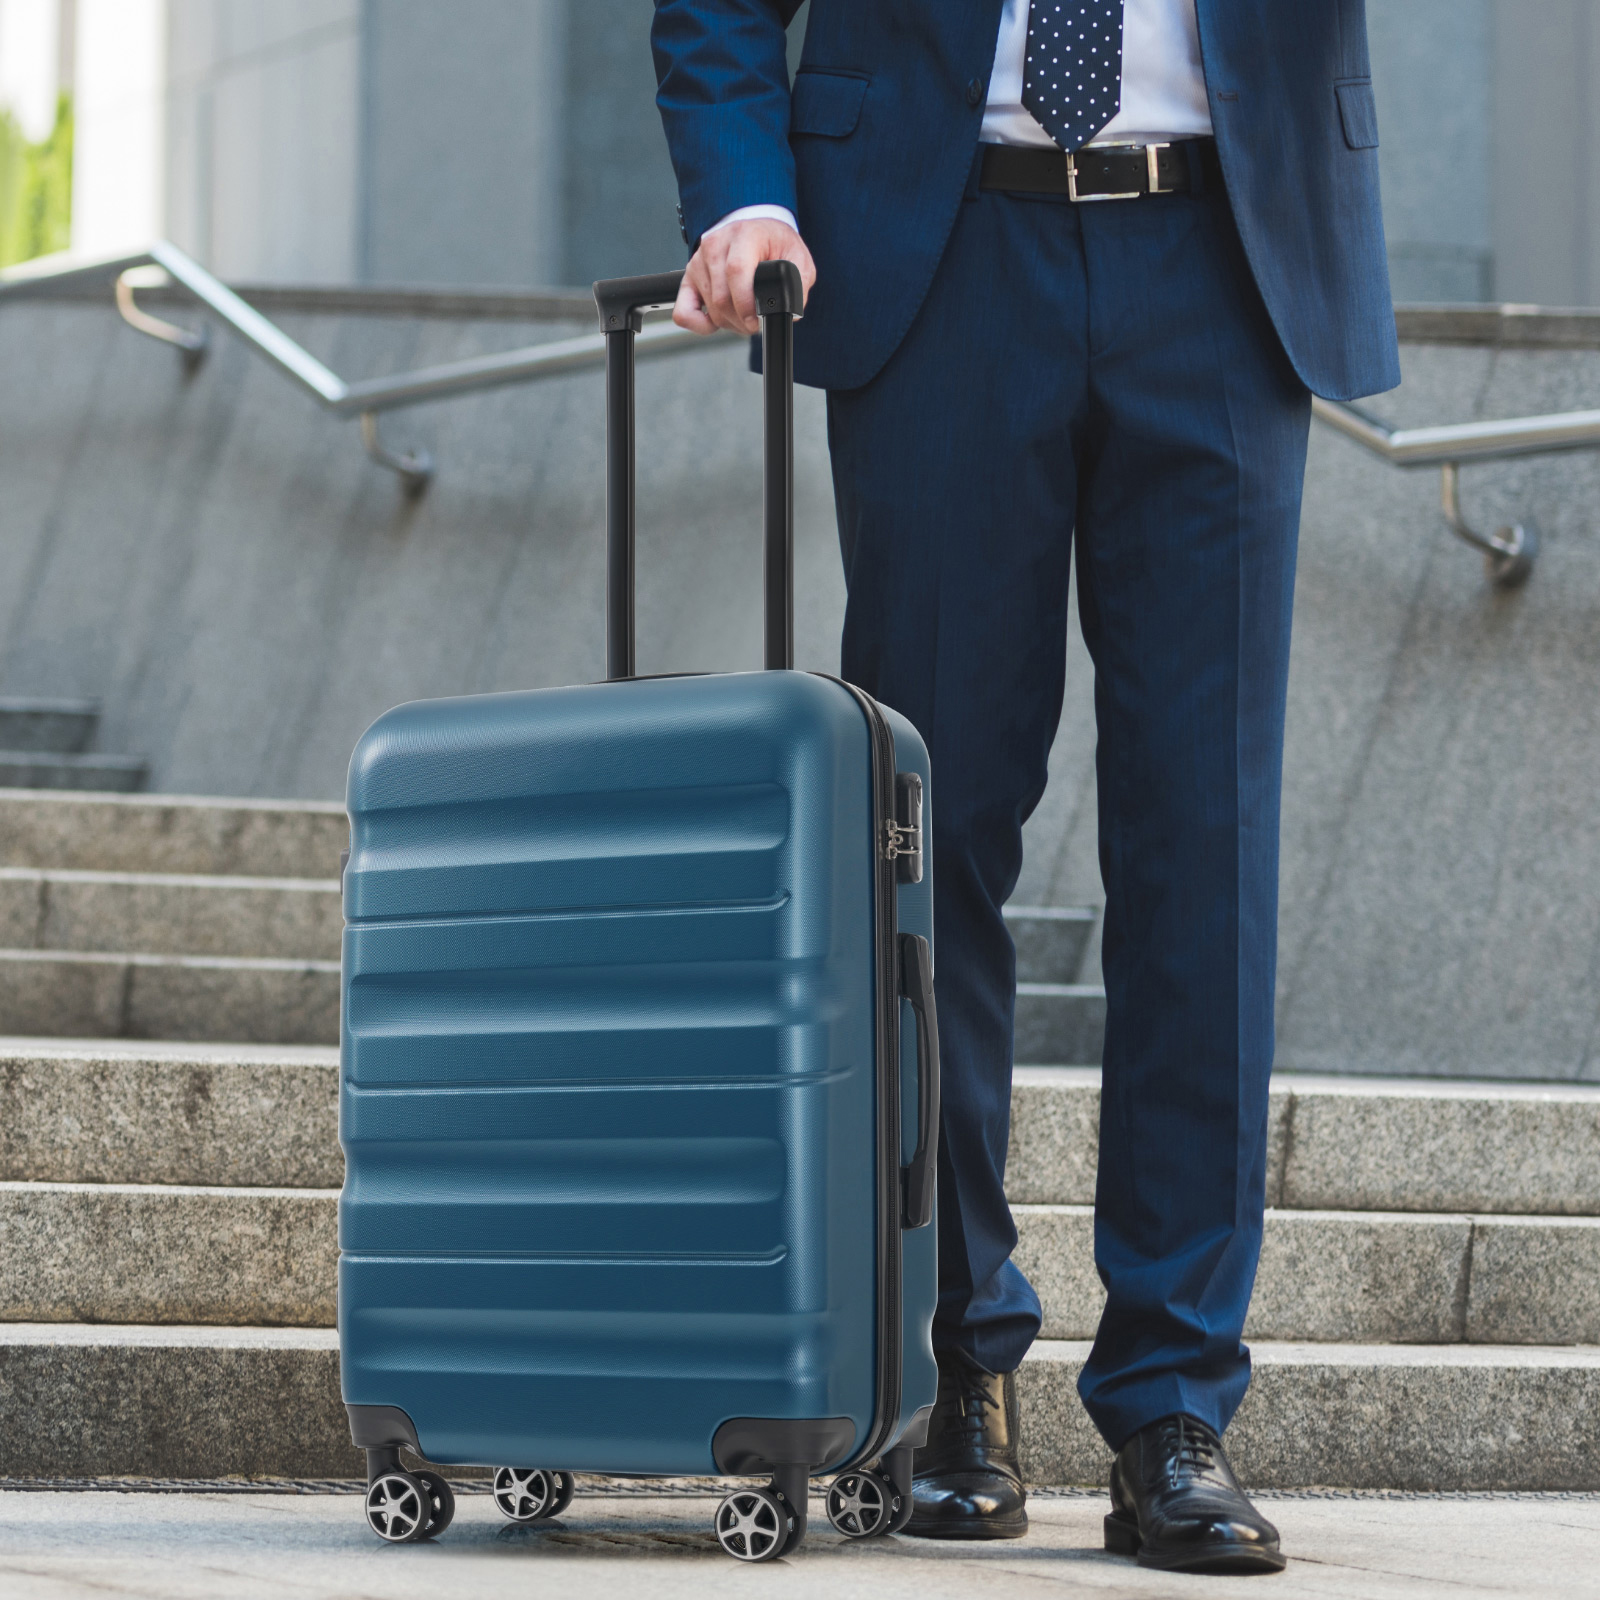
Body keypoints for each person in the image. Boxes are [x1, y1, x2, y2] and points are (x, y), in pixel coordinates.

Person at [651, 0, 1398, 1572]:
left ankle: (1173, 1403)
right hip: (940, 267)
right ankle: (957, 1362)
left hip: (1227, 260)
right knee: (928, 842)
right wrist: (742, 189)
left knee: (1209, 854)